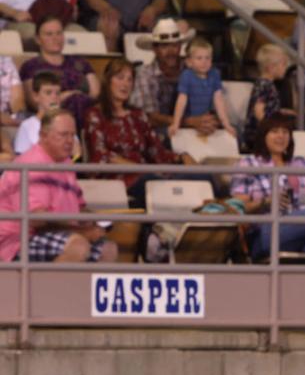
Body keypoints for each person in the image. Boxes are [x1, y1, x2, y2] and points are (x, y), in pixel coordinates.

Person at [0, 109, 116, 263]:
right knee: (78, 246)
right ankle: (46, 288)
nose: (69, 141)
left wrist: (95, 219)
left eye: (72, 135)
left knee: (108, 249)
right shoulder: (33, 164)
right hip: (17, 240)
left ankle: (78, 287)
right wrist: (81, 231)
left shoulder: (66, 163)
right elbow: (38, 221)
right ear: (43, 136)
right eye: (63, 135)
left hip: (56, 232)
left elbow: (79, 208)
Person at [231, 113, 305, 265]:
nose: (281, 136)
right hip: (265, 233)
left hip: (302, 232)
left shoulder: (304, 164)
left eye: (285, 132)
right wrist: (266, 201)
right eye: (274, 131)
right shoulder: (248, 164)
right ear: (263, 136)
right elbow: (237, 208)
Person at [82, 57, 191, 208]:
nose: (125, 84)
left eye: (129, 80)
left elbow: (157, 152)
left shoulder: (138, 115)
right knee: (162, 186)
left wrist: (181, 157)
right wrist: (138, 168)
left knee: (200, 177)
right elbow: (102, 155)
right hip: (118, 181)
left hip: (146, 174)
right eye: (120, 78)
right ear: (108, 81)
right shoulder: (95, 115)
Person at [20, 14, 96, 123]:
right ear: (37, 39)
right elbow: (34, 101)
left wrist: (77, 97)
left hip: (87, 110)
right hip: (51, 117)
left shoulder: (80, 62)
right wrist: (65, 96)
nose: (55, 38)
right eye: (49, 34)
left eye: (59, 33)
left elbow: (95, 93)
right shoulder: (31, 66)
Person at [130, 17, 196, 132]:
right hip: (157, 133)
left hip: (192, 129)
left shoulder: (192, 69)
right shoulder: (145, 74)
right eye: (164, 46)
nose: (171, 51)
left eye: (175, 45)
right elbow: (150, 117)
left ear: (180, 46)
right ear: (155, 49)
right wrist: (189, 122)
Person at [170, 37, 234, 140]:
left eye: (207, 58)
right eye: (199, 58)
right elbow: (181, 100)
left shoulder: (215, 74)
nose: (204, 62)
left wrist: (226, 124)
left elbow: (218, 100)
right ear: (189, 62)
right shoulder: (186, 76)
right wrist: (176, 123)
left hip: (205, 118)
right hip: (188, 121)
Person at [243, 44, 296, 152]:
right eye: (283, 64)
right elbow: (258, 110)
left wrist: (281, 112)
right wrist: (269, 128)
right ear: (271, 67)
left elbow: (268, 108)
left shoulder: (269, 84)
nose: (285, 68)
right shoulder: (263, 85)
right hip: (258, 134)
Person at [14, 69, 61, 155]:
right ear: (36, 96)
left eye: (58, 93)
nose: (54, 97)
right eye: (48, 92)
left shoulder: (66, 124)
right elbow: (21, 161)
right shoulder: (27, 126)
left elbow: (74, 159)